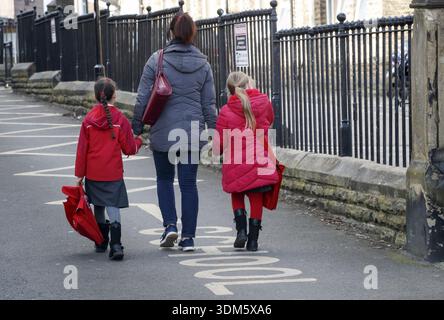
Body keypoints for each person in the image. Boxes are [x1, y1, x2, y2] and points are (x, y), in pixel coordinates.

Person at [132, 13, 217, 252]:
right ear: (192, 34)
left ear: (171, 32)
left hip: (163, 131)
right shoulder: (204, 64)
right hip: (191, 132)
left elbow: (142, 98)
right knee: (189, 184)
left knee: (165, 179)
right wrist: (214, 132)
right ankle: (188, 238)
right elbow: (209, 103)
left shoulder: (156, 59)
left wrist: (136, 128)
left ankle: (170, 225)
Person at [75, 78, 143, 261]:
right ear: (114, 95)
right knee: (113, 206)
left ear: (96, 96)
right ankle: (116, 244)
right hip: (112, 172)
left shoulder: (89, 119)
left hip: (93, 172)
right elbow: (129, 149)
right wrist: (139, 141)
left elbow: (82, 150)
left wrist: (79, 175)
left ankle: (101, 240)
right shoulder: (120, 119)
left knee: (98, 204)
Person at [213, 71, 279, 252]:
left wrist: (217, 151)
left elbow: (218, 145)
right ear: (249, 83)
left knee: (237, 193)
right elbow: (270, 121)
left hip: (234, 162)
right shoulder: (264, 103)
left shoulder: (226, 111)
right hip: (259, 160)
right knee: (256, 197)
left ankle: (241, 231)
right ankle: (253, 241)